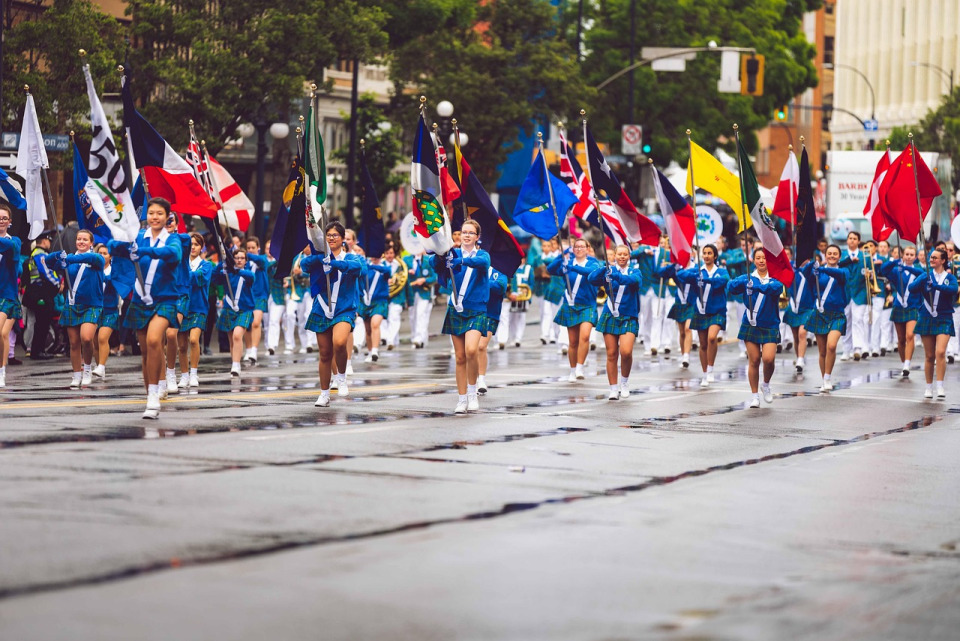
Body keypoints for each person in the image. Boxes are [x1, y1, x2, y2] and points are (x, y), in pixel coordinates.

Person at [108, 197, 183, 419]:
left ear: (167, 217)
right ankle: (150, 392)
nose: (155, 217)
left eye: (159, 213)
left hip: (164, 299)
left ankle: (155, 395)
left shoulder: (173, 239)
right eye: (151, 213)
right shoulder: (138, 236)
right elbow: (112, 246)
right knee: (145, 351)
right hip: (140, 300)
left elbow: (174, 255)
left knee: (153, 340)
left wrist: (145, 251)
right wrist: (124, 245)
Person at [302, 221, 367, 407]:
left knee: (339, 342)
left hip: (343, 308)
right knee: (324, 353)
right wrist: (319, 259)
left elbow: (358, 268)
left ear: (342, 238)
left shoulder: (351, 257)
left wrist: (335, 263)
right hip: (322, 307)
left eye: (335, 235)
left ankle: (341, 377)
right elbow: (304, 265)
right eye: (328, 235)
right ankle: (324, 394)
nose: (331, 238)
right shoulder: (320, 256)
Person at [432, 219, 490, 413]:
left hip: (476, 309)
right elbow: (434, 265)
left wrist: (462, 261)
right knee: (459, 357)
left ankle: (473, 393)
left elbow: (483, 263)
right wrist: (439, 254)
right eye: (464, 232)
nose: (466, 235)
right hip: (455, 309)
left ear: (477, 237)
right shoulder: (452, 252)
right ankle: (462, 398)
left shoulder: (482, 254)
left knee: (471, 350)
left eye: (471, 233)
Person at [45, 230, 105, 388]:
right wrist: (58, 255)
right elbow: (49, 262)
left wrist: (68, 258)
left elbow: (88, 258)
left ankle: (87, 369)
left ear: (91, 243)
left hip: (92, 305)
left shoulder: (96, 258)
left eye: (85, 239)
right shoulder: (69, 259)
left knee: (87, 338)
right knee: (73, 343)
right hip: (72, 304)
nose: (81, 242)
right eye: (79, 239)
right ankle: (77, 374)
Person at [727, 248, 784, 408]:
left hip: (770, 324)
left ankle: (765, 384)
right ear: (753, 260)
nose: (761, 261)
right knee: (754, 360)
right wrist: (743, 282)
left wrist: (756, 286)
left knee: (768, 359)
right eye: (758, 258)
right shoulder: (748, 278)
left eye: (764, 258)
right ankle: (754, 396)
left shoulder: (775, 278)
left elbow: (776, 289)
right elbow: (731, 287)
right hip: (750, 323)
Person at [590, 245, 640, 400]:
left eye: (625, 254)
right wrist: (603, 268)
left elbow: (632, 281)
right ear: (615, 256)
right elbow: (591, 279)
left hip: (628, 315)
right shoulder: (609, 270)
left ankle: (624, 382)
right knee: (611, 353)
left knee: (626, 352)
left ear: (629, 256)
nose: (622, 257)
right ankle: (613, 388)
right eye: (619, 254)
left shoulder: (635, 272)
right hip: (610, 314)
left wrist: (615, 275)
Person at [547, 238, 601, 381]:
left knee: (585, 336)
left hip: (588, 305)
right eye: (576, 247)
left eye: (582, 246)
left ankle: (579, 368)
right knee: (573, 342)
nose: (579, 249)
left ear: (587, 249)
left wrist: (572, 267)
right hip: (571, 305)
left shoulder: (593, 263)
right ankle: (572, 370)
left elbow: (590, 272)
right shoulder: (567, 262)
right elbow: (550, 269)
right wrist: (562, 255)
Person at [676, 244, 729, 387]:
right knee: (703, 344)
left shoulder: (721, 271)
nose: (706, 256)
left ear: (715, 256)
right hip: (700, 311)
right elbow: (680, 275)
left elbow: (723, 281)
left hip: (717, 311)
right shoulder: (698, 271)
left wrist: (705, 280)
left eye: (709, 253)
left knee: (712, 337)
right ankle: (705, 374)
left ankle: (711, 369)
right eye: (704, 253)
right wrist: (695, 275)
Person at [909, 248, 958, 399]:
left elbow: (953, 290)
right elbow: (911, 289)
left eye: (935, 258)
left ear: (943, 261)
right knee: (929, 356)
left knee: (940, 352)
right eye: (931, 257)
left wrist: (936, 286)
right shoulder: (926, 275)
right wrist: (922, 279)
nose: (932, 260)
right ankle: (929, 387)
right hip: (926, 316)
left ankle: (940, 385)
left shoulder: (949, 277)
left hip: (944, 316)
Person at [802, 245, 848, 392]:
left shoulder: (843, 271)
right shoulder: (818, 272)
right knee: (822, 351)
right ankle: (825, 380)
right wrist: (811, 263)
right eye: (829, 253)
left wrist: (821, 268)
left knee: (831, 346)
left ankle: (828, 377)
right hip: (820, 313)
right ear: (825, 255)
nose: (832, 256)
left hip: (837, 314)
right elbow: (805, 273)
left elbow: (840, 275)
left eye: (835, 254)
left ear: (839, 257)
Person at [160, 213, 192, 396]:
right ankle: (160, 376)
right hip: (160, 292)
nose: (167, 223)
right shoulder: (154, 241)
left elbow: (185, 239)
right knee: (157, 339)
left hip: (179, 292)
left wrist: (168, 234)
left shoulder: (182, 240)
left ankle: (171, 373)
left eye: (170, 220)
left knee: (171, 334)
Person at [880, 245, 924, 377]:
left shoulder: (918, 270)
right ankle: (903, 361)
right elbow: (883, 269)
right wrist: (895, 261)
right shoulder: (896, 270)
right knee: (900, 339)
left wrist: (905, 268)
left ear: (915, 257)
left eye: (912, 255)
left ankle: (907, 364)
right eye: (907, 254)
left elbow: (923, 275)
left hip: (913, 306)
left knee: (910, 335)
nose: (909, 257)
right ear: (903, 255)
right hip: (899, 305)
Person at [177, 233, 214, 388]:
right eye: (190, 244)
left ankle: (193, 373)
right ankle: (184, 375)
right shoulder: (181, 263)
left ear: (201, 247)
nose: (193, 247)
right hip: (181, 307)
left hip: (199, 307)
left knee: (193, 340)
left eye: (196, 245)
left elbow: (197, 278)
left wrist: (181, 273)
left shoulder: (206, 265)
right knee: (181, 345)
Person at [213, 246, 255, 378]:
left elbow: (251, 277)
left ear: (246, 261)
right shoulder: (227, 273)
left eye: (242, 258)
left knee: (237, 335)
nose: (239, 260)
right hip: (229, 309)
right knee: (232, 340)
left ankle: (236, 365)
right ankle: (234, 363)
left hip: (244, 309)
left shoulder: (247, 273)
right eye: (236, 258)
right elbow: (214, 278)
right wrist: (222, 263)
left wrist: (237, 270)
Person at [23, 232, 59, 360]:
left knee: (40, 323)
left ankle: (38, 350)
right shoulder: (40, 254)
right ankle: (38, 351)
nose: (50, 243)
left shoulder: (35, 254)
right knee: (42, 323)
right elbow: (46, 272)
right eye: (49, 241)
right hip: (41, 292)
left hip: (37, 292)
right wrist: (57, 283)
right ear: (44, 241)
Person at [654, 256, 695, 369]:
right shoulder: (676, 267)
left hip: (691, 302)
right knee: (681, 332)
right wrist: (669, 266)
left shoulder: (695, 267)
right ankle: (683, 355)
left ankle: (686, 356)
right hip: (679, 301)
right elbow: (660, 273)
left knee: (688, 328)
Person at [782, 248, 815, 374]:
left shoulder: (811, 269)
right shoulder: (790, 267)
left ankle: (801, 359)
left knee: (802, 333)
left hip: (807, 307)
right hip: (793, 306)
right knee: (796, 336)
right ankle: (799, 357)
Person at [0, 203, 22, 388]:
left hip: (7, 295)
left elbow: (11, 249)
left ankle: (1, 370)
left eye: (4, 218)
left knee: (2, 332)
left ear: (10, 222)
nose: (1, 221)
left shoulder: (15, 241)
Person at [839, 231, 870, 361]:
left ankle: (857, 348)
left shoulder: (865, 256)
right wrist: (849, 260)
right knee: (846, 321)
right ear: (847, 240)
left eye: (854, 238)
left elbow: (870, 272)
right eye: (850, 238)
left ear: (858, 241)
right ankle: (846, 350)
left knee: (858, 320)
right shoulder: (842, 255)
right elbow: (838, 265)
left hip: (860, 292)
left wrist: (869, 274)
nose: (852, 240)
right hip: (845, 293)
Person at [477, 265, 507, 395]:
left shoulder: (500, 270)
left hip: (491, 313)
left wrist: (482, 282)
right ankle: (473, 379)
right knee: (470, 349)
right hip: (474, 311)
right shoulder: (476, 267)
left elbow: (501, 287)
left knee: (481, 346)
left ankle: (481, 379)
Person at [359, 244, 392, 363]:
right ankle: (369, 352)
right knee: (368, 329)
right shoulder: (365, 266)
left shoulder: (384, 267)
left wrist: (372, 266)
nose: (374, 256)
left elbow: (388, 271)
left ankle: (375, 351)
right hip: (366, 301)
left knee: (375, 324)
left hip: (380, 301)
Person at [93, 243, 120, 379]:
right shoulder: (92, 269)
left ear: (110, 256)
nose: (103, 256)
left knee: (102, 338)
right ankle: (99, 367)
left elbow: (113, 282)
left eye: (105, 253)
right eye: (100, 253)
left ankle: (102, 366)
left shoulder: (114, 270)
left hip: (110, 309)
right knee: (94, 342)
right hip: (94, 308)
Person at [243, 236, 270, 364]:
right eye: (248, 248)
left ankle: (254, 350)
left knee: (256, 322)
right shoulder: (244, 263)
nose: (250, 250)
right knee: (247, 325)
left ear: (258, 248)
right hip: (247, 296)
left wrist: (246, 254)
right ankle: (248, 350)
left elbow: (259, 260)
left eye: (253, 247)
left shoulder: (262, 259)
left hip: (260, 295)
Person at [403, 249, 436, 349]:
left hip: (424, 293)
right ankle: (417, 338)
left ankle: (419, 338)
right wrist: (407, 272)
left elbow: (434, 276)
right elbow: (401, 274)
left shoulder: (428, 260)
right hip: (411, 293)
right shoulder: (406, 260)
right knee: (412, 316)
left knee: (421, 314)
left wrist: (424, 280)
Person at [498, 255, 532, 348]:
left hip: (510, 296)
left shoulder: (525, 268)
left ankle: (506, 340)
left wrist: (514, 292)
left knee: (510, 318)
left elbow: (514, 278)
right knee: (501, 318)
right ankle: (499, 340)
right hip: (497, 295)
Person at [382, 243, 405, 351]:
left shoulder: (401, 266)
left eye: (391, 253)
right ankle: (392, 340)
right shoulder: (380, 265)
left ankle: (390, 341)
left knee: (394, 317)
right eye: (387, 253)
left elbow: (405, 282)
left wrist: (409, 301)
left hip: (397, 297)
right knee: (384, 319)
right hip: (384, 296)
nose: (389, 255)